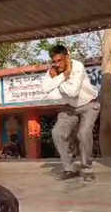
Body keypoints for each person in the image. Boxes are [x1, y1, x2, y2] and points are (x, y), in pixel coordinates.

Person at [42, 45, 100, 182]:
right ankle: (69, 168)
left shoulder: (78, 66)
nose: (56, 64)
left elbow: (73, 92)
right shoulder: (54, 70)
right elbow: (45, 88)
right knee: (57, 132)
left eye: (60, 60)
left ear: (67, 57)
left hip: (89, 104)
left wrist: (56, 80)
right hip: (70, 107)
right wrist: (62, 76)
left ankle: (86, 168)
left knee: (83, 133)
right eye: (54, 61)